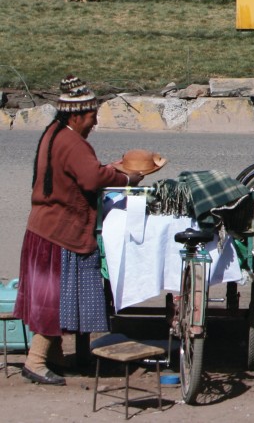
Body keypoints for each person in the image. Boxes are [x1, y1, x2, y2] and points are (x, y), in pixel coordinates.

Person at [14, 76, 146, 386]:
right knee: (55, 300)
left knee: (53, 298)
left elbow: (86, 172)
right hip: (60, 233)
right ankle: (35, 361)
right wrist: (126, 179)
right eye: (91, 116)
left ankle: (56, 357)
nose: (94, 122)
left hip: (43, 227)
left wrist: (107, 169)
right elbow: (89, 179)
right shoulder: (72, 141)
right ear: (76, 115)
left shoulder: (54, 133)